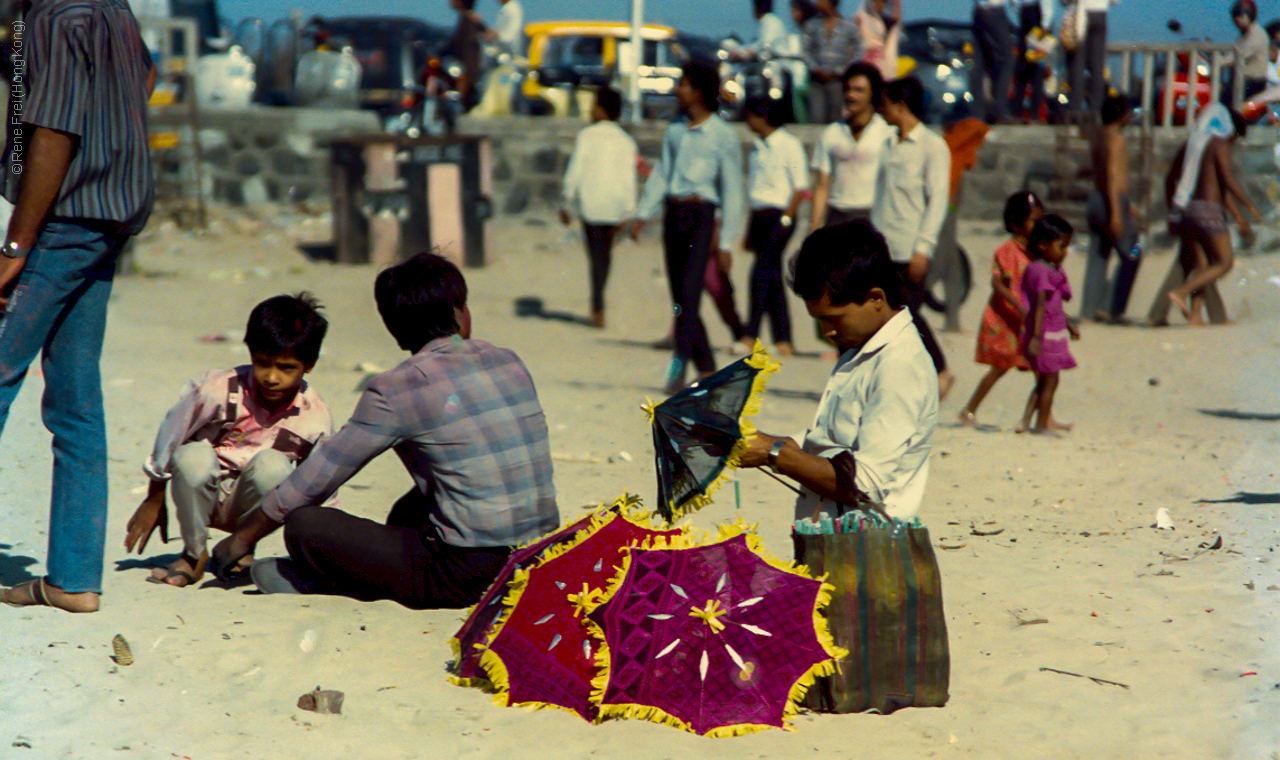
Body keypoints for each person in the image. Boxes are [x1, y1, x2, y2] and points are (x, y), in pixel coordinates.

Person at [210, 253, 559, 608]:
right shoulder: (509, 361)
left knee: (305, 526)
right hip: (539, 556)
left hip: (468, 573)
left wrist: (241, 539)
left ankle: (347, 583)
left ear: (395, 329)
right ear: (459, 312)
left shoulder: (398, 388)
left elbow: (317, 478)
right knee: (411, 507)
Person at [0, 0, 155, 613]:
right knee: (74, 397)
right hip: (111, 214)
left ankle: (72, 575)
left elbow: (54, 131)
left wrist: (18, 240)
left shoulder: (56, 18)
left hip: (64, 220)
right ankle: (73, 577)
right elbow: (145, 73)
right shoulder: (108, 8)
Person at [123, 295, 334, 588]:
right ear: (250, 353)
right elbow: (171, 437)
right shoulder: (216, 390)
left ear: (308, 365)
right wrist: (154, 497)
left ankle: (243, 551)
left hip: (257, 510)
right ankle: (194, 553)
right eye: (263, 363)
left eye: (287, 368)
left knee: (274, 466)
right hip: (201, 494)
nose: (272, 378)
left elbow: (320, 483)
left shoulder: (315, 417)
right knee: (192, 456)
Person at [737, 220, 938, 521]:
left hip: (868, 550)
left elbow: (864, 483)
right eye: (819, 320)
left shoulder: (899, 365)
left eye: (834, 319)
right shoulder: (864, 348)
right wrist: (761, 442)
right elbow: (832, 440)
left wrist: (775, 453)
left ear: (875, 299)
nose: (826, 332)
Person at [632, 60, 746, 393]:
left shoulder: (723, 135)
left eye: (682, 84)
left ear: (698, 91)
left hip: (702, 217)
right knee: (681, 298)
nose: (676, 90)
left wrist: (726, 243)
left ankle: (677, 370)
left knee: (691, 296)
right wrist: (642, 212)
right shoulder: (676, 130)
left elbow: (733, 192)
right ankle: (707, 366)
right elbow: (663, 174)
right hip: (674, 215)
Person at [872, 76, 954, 397]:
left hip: (912, 246)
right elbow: (880, 198)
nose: (880, 110)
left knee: (906, 313)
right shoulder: (887, 144)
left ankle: (941, 369)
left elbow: (937, 202)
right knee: (883, 316)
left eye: (884, 103)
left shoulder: (933, 147)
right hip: (884, 245)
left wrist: (924, 248)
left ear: (900, 105)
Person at [1166, 106, 1261, 325]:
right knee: (1225, 262)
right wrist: (1250, 206)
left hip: (1192, 209)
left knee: (1203, 266)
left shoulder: (1204, 146)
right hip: (1209, 212)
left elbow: (1218, 188)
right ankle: (1181, 292)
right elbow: (1227, 180)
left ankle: (1196, 316)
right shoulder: (1221, 144)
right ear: (1234, 132)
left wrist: (1238, 216)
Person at [958, 191, 1043, 428]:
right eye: (1034, 221)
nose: (1038, 226)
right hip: (1007, 319)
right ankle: (969, 410)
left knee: (1042, 371)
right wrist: (1017, 304)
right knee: (1000, 368)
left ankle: (1037, 417)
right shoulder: (1006, 251)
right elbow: (997, 284)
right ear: (1016, 223)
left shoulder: (1038, 252)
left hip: (1029, 322)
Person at [560, 88, 638, 329]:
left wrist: (566, 200)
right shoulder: (627, 141)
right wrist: (629, 210)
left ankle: (597, 306)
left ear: (602, 109)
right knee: (605, 256)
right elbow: (629, 178)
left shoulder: (586, 136)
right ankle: (598, 304)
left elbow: (575, 171)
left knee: (595, 258)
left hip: (591, 204)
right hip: (615, 206)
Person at [739, 96, 809, 357]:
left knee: (759, 274)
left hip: (780, 215)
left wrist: (786, 219)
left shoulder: (789, 145)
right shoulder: (758, 147)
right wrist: (748, 229)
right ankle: (783, 340)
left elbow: (800, 187)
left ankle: (750, 335)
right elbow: (755, 191)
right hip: (759, 215)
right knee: (772, 277)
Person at [809, 62, 895, 231]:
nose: (851, 95)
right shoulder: (831, 132)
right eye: (848, 89)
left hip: (871, 216)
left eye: (859, 90)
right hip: (836, 215)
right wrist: (813, 228)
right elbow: (822, 185)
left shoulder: (888, 133)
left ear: (873, 94)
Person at [1081, 94, 1140, 323]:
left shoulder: (1097, 136)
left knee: (1098, 255)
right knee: (1134, 252)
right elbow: (1114, 175)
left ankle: (1088, 310)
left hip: (1096, 199)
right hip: (1112, 201)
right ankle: (1110, 306)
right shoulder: (1116, 139)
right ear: (1122, 114)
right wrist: (1117, 210)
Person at [1019, 214, 1080, 436]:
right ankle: (1041, 425)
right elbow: (1041, 306)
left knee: (1044, 380)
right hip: (1045, 334)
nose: (1065, 252)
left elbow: (1054, 305)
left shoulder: (1041, 268)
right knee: (1051, 380)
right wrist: (1036, 337)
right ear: (1043, 245)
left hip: (1048, 331)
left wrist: (1069, 324)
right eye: (1061, 246)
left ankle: (1027, 422)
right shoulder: (1042, 270)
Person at [802, 0, 863, 123]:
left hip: (838, 79)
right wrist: (816, 68)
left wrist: (844, 69)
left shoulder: (848, 25)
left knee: (835, 116)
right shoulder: (812, 25)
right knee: (816, 116)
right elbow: (804, 50)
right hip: (816, 79)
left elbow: (860, 49)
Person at [971, 0, 1016, 123]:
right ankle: (998, 109)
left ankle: (978, 111)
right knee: (1007, 60)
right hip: (993, 10)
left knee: (982, 60)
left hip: (980, 11)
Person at [1069, 0, 1112, 118]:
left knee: (1078, 64)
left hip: (1081, 12)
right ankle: (1096, 109)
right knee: (1097, 66)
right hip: (1101, 13)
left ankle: (1075, 108)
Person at [1012, 0, 1054, 120]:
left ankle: (1023, 111)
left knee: (1029, 67)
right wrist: (1046, 23)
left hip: (1029, 13)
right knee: (1033, 68)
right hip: (1034, 15)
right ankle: (1030, 113)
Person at [448, 0, 486, 111]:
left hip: (468, 65)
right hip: (468, 65)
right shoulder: (469, 18)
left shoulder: (468, 18)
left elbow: (467, 46)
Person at [1232, 0, 1269, 101]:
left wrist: (1218, 62)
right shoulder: (1244, 34)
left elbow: (1239, 54)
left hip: (1253, 82)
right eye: (1235, 17)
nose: (1237, 20)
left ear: (1250, 16)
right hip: (1243, 80)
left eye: (1241, 16)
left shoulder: (1256, 34)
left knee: (1225, 98)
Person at [856, 0, 901, 80]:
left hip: (881, 64)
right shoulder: (862, 18)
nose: (878, 5)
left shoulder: (888, 22)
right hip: (864, 60)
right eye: (875, 2)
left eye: (882, 2)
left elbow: (896, 22)